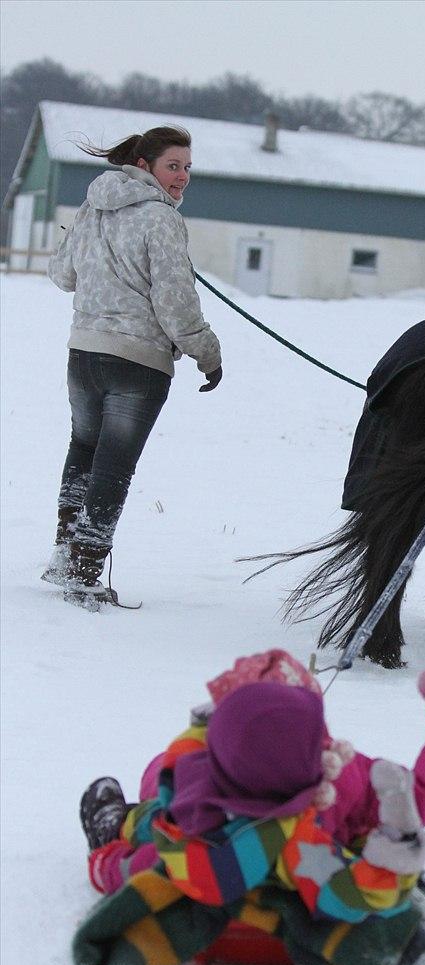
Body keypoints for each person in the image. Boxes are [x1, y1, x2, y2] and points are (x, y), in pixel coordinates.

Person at [75, 650, 425, 965]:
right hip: (282, 936)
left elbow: (167, 777)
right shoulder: (343, 780)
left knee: (159, 825)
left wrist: (108, 862)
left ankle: (113, 830)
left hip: (215, 926)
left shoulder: (197, 790)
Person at [44, 125, 223, 610]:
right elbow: (175, 304)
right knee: (113, 464)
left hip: (83, 352)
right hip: (137, 361)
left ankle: (65, 555)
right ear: (143, 167)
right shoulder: (161, 219)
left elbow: (62, 274)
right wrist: (208, 352)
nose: (183, 177)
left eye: (187, 168)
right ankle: (84, 574)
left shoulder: (92, 206)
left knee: (83, 448)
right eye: (173, 166)